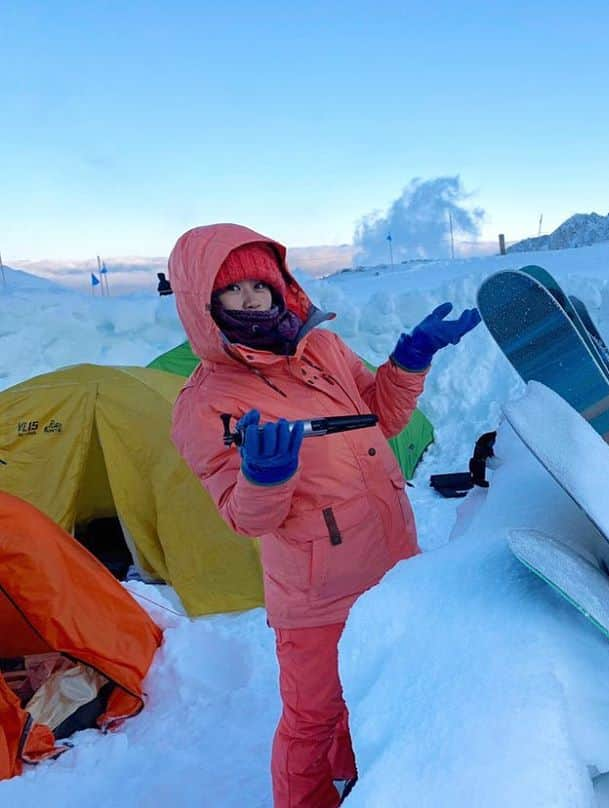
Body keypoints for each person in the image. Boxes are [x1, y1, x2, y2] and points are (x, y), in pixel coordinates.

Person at [167, 223, 480, 807]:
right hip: (316, 591)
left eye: (261, 284)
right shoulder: (207, 402)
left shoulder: (323, 349)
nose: (252, 299)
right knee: (311, 718)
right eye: (232, 291)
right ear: (202, 303)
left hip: (390, 562)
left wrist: (409, 361)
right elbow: (244, 517)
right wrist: (264, 480)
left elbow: (381, 419)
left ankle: (365, 775)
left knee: (376, 686)